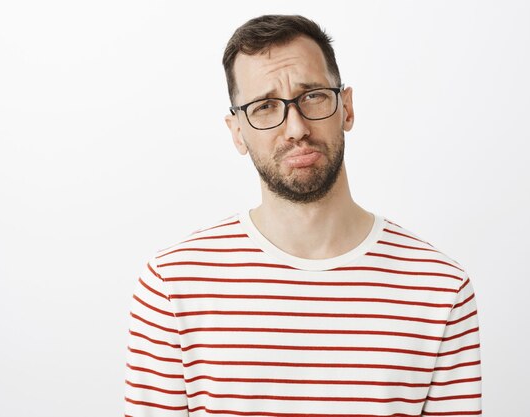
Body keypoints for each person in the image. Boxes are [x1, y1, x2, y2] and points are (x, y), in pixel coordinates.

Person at [124, 14, 482, 417]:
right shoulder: (173, 285)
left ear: (345, 107)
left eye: (312, 96)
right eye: (265, 106)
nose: (295, 127)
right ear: (237, 131)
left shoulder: (439, 288)